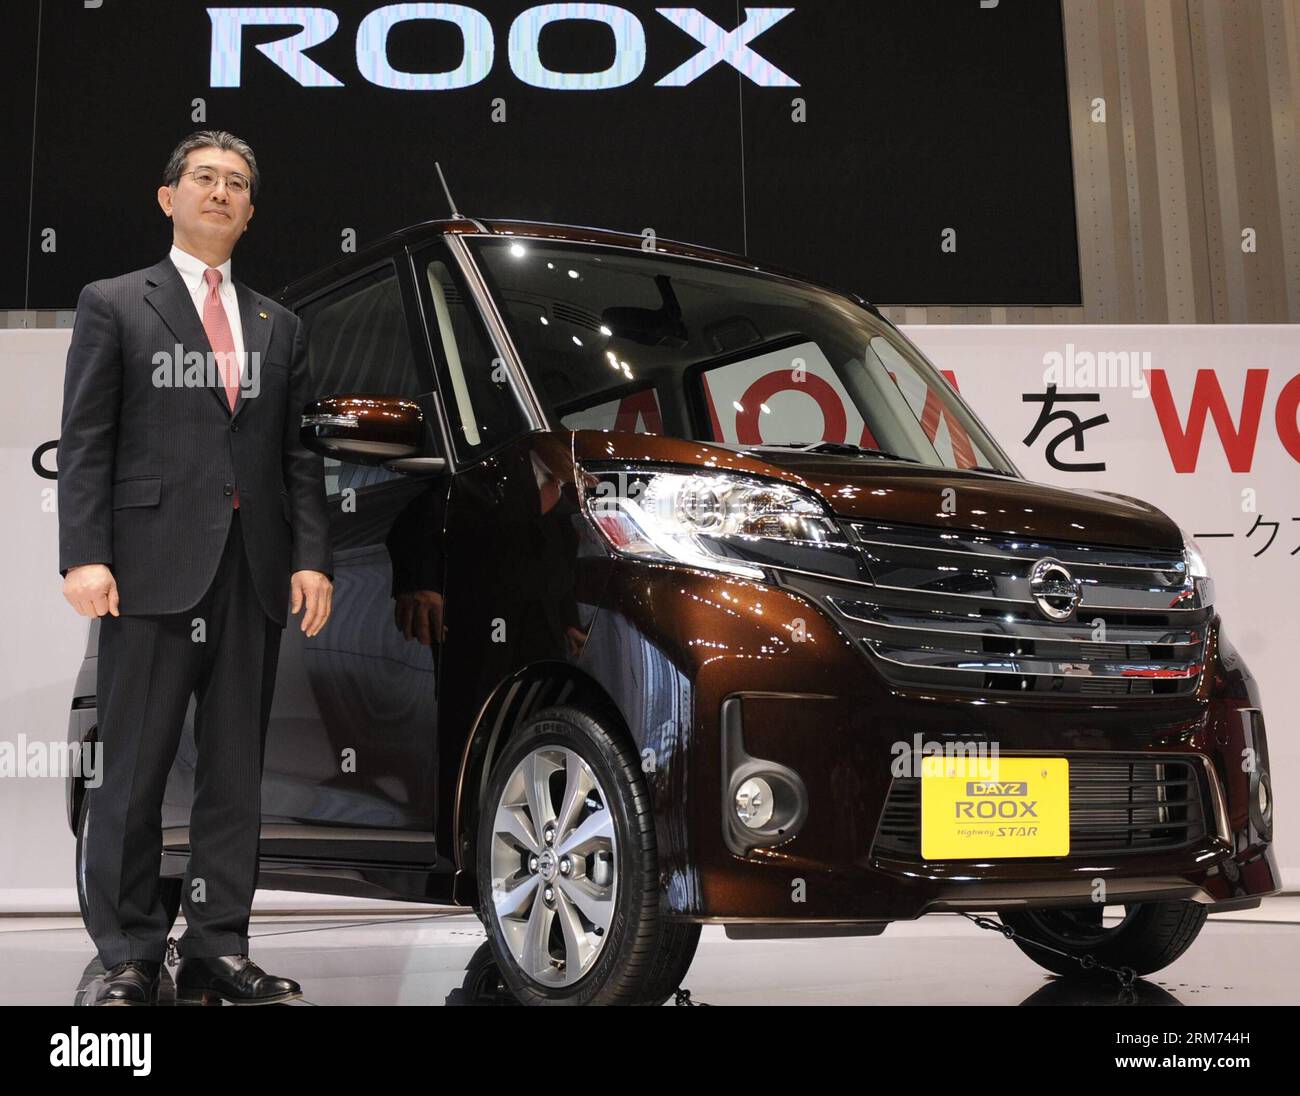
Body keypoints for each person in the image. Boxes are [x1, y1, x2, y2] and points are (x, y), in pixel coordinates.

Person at [58, 130, 334, 1005]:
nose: (220, 192)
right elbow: (87, 443)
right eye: (204, 178)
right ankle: (128, 952)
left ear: (250, 212)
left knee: (232, 776)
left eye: (237, 184)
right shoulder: (115, 303)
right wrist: (85, 555)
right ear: (167, 196)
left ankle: (218, 943)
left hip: (250, 573)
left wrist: (312, 560)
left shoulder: (278, 326)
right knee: (133, 770)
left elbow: (298, 457)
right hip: (146, 570)